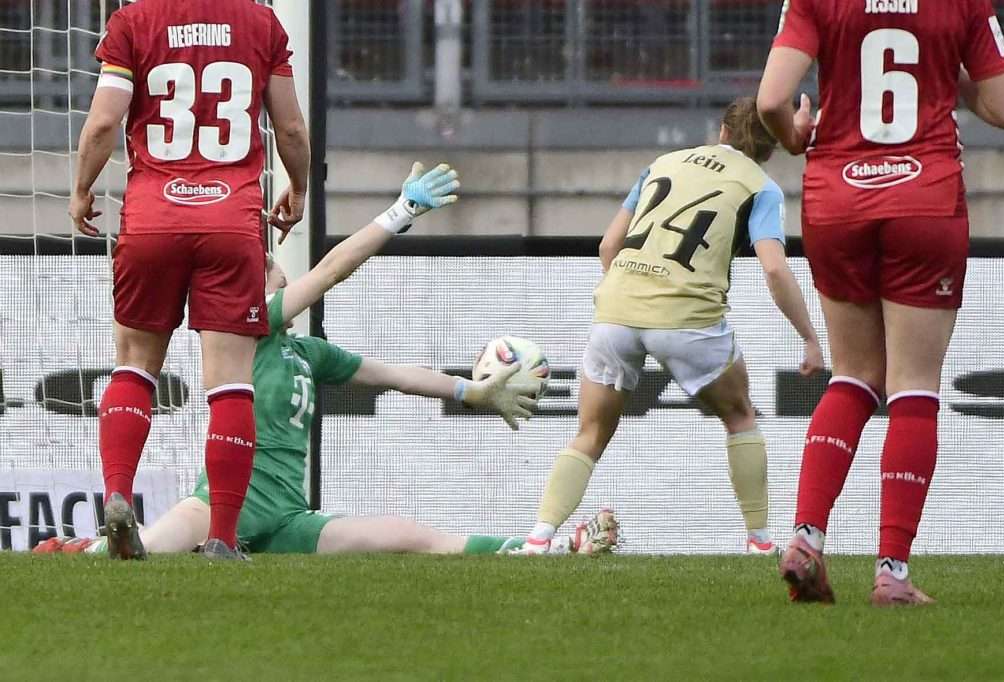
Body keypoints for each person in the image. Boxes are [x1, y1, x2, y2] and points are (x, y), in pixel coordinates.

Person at [41, 165, 612, 559]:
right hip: (223, 503)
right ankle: (80, 549)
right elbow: (333, 269)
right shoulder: (253, 326)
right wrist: (400, 211)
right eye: (263, 265)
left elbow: (392, 376)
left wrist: (471, 392)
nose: (275, 270)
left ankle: (544, 547)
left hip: (288, 516)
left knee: (410, 536)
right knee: (147, 550)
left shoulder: (306, 352)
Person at [758, 0, 1004, 606]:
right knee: (914, 385)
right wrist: (941, 69)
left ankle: (805, 537)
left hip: (838, 195)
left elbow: (773, 100)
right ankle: (892, 572)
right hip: (924, 195)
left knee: (852, 376)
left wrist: (793, 137)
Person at [516, 97, 824, 556]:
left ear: (722, 131)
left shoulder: (664, 163)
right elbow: (775, 270)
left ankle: (538, 538)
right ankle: (760, 543)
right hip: (687, 316)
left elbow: (608, 246)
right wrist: (809, 337)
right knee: (740, 416)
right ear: (771, 147)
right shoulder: (761, 187)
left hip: (617, 306)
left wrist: (628, 297)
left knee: (590, 432)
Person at [69, 0, 309, 559]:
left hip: (154, 218)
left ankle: (118, 494)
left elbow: (104, 122)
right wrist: (297, 188)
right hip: (231, 222)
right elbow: (291, 128)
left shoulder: (134, 21)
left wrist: (82, 188)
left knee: (135, 364)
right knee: (230, 383)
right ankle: (223, 537)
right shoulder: (260, 23)